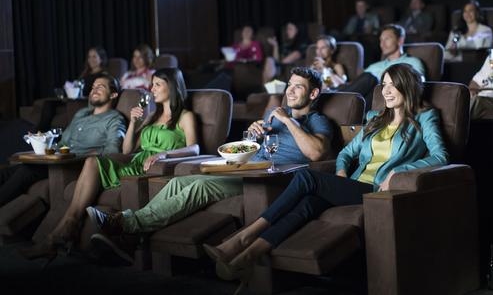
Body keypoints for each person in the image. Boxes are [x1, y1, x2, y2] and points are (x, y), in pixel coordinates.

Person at [202, 63, 447, 290]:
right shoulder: (375, 119)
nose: (387, 91)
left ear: (408, 86)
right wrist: (341, 173)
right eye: (384, 84)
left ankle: (243, 237)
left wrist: (397, 171)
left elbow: (440, 157)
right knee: (307, 205)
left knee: (307, 177)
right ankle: (247, 256)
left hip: (378, 191)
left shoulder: (425, 118)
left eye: (394, 84)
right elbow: (346, 154)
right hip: (354, 185)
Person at [85, 67, 334, 263]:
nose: (289, 91)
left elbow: (316, 153)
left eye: (297, 87)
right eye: (289, 85)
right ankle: (130, 237)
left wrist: (287, 120)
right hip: (247, 169)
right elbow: (251, 147)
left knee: (198, 188)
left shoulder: (318, 121)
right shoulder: (273, 116)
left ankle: (124, 223)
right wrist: (253, 133)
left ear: (313, 94)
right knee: (179, 183)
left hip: (274, 180)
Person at [19, 68, 199, 261]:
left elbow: (195, 148)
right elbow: (127, 150)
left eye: (157, 84)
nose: (152, 89)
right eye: (152, 84)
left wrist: (164, 154)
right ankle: (68, 225)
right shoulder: (152, 116)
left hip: (152, 169)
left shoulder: (185, 116)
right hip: (135, 161)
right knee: (91, 161)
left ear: (171, 87)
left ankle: (60, 235)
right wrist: (133, 123)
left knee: (95, 163)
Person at [0, 74, 126, 207]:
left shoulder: (115, 119)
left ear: (113, 95)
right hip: (57, 160)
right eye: (93, 87)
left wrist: (85, 154)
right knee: (8, 171)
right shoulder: (81, 114)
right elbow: (62, 143)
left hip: (75, 165)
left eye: (100, 87)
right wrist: (42, 142)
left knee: (26, 171)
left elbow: (113, 151)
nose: (94, 90)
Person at [340, 24, 425, 108]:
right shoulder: (374, 66)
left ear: (400, 40)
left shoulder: (413, 62)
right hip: (360, 103)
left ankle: (337, 99)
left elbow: (418, 83)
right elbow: (358, 85)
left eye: (387, 39)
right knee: (368, 77)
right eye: (381, 40)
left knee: (371, 78)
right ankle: (338, 100)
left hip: (386, 100)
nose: (382, 44)